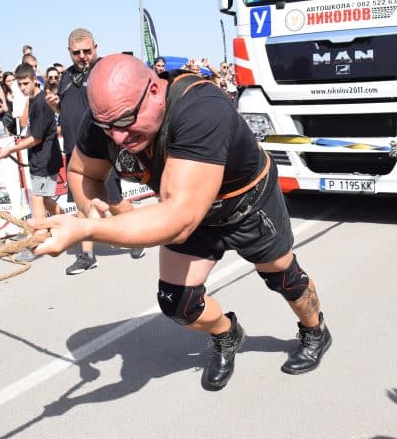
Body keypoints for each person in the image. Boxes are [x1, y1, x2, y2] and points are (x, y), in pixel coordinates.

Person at [32, 54, 332, 390]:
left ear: (155, 91)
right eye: (108, 126)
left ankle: (315, 331)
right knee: (178, 303)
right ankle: (226, 333)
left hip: (245, 204)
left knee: (282, 276)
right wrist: (92, 206)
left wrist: (88, 229)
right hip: (186, 210)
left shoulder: (201, 107)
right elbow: (81, 171)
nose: (117, 137)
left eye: (127, 120)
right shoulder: (108, 120)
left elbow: (180, 219)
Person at [46, 28, 144, 276]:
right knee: (82, 205)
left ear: (95, 48)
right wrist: (56, 108)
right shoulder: (66, 78)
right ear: (69, 52)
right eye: (76, 52)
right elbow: (68, 112)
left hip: (99, 154)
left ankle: (139, 235)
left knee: (114, 204)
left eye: (86, 51)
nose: (82, 56)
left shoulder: (104, 71)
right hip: (74, 154)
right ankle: (86, 255)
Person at [0, 63, 64, 261]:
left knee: (38, 200)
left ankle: (38, 243)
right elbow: (28, 127)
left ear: (35, 80)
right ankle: (73, 223)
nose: (23, 87)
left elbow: (36, 138)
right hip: (39, 157)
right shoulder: (32, 100)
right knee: (46, 200)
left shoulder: (42, 102)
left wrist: (10, 149)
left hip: (45, 157)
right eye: (20, 84)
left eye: (26, 83)